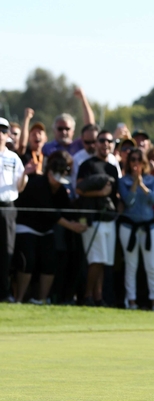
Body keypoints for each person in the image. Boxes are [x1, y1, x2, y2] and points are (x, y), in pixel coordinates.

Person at [14, 152, 87, 304]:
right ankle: (19, 299)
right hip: (26, 227)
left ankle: (41, 300)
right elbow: (50, 213)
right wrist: (72, 227)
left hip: (45, 230)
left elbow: (66, 210)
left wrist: (77, 221)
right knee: (28, 261)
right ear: (49, 173)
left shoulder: (60, 190)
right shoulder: (38, 184)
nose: (57, 181)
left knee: (50, 263)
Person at [75, 129, 119, 307]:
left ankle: (97, 297)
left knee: (103, 261)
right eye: (101, 141)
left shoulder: (113, 168)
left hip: (109, 219)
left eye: (109, 141)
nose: (105, 144)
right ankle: (86, 296)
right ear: (96, 143)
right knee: (96, 260)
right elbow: (79, 189)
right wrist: (100, 192)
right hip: (93, 219)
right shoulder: (87, 165)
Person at [118, 149, 154, 311]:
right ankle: (131, 301)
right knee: (131, 265)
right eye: (132, 160)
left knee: (151, 265)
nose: (136, 163)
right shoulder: (123, 181)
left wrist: (142, 184)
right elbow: (128, 202)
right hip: (129, 227)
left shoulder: (152, 180)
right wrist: (134, 184)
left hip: (149, 227)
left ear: (144, 163)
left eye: (139, 160)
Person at [0, 117, 28, 302]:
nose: (0, 134)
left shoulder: (13, 157)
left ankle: (3, 292)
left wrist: (26, 175)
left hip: (7, 208)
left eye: (3, 130)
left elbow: (20, 187)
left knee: (6, 251)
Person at [42, 87, 95, 157]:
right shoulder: (46, 148)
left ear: (73, 131)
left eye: (67, 129)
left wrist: (83, 98)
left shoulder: (79, 145)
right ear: (54, 130)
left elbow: (90, 128)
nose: (64, 132)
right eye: (60, 129)